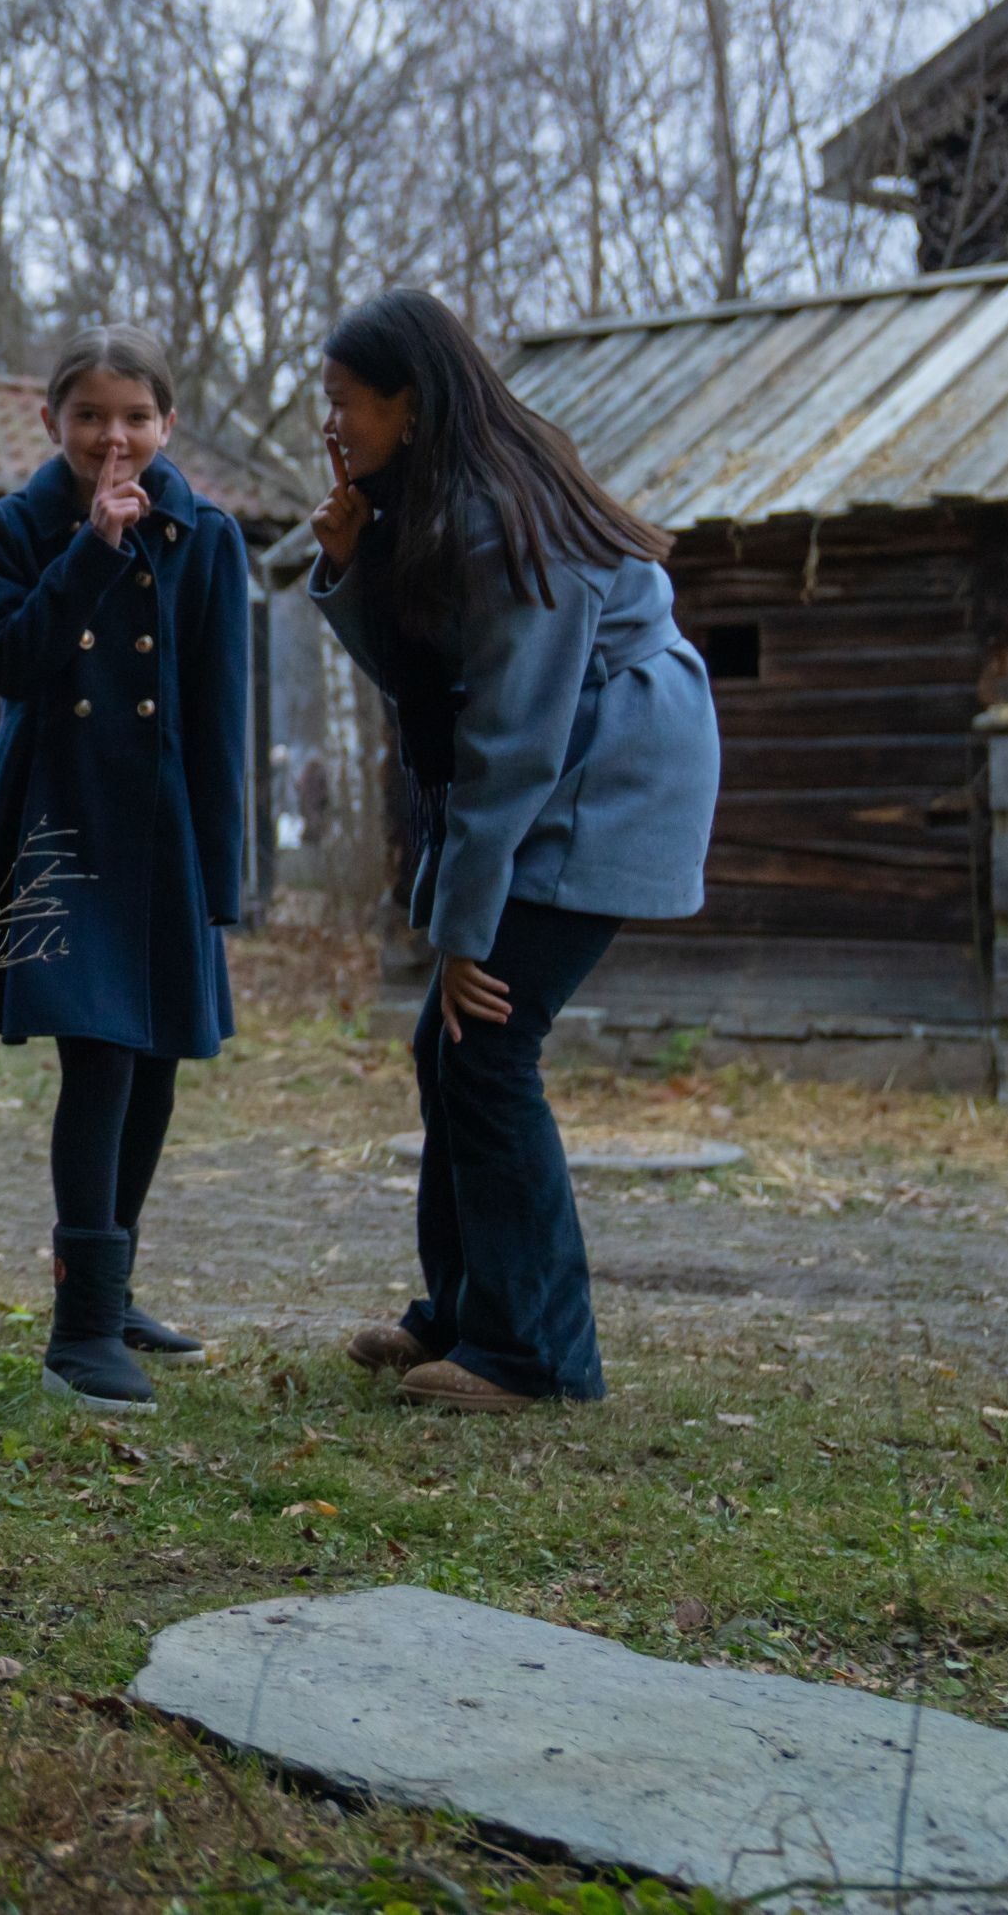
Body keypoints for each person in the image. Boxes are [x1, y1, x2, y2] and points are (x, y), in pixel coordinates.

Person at [305, 288, 718, 1414]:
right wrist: (350, 565)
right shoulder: (438, 500)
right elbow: (432, 685)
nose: (327, 422)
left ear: (406, 401)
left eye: (342, 401)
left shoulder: (496, 514)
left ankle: (534, 1358)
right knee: (446, 1047)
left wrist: (460, 929)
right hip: (562, 771)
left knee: (484, 1044)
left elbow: (508, 743)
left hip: (605, 779)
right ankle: (464, 1317)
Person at [0, 327, 247, 1414]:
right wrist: (89, 550)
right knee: (98, 1055)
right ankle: (79, 1328)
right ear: (49, 420)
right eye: (89, 415)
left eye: (134, 416)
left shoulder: (205, 534)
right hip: (56, 820)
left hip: (162, 833)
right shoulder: (9, 527)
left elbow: (219, 710)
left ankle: (115, 1287)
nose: (113, 436)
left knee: (155, 1062)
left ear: (166, 423)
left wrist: (220, 880)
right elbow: (6, 656)